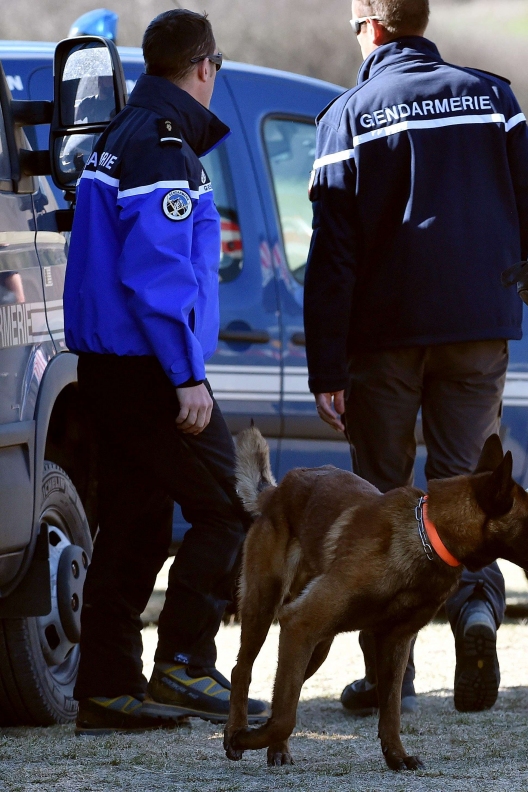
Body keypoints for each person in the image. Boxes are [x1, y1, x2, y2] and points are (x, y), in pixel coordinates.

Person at [303, 0, 528, 715]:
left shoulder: (347, 115)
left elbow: (331, 255)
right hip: (480, 328)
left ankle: (388, 673)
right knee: (472, 489)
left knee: (382, 504)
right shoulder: (493, 97)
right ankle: (479, 612)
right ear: (420, 20)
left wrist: (325, 367)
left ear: (369, 26)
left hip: (382, 340)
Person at [65, 9, 266, 734]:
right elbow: (158, 278)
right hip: (150, 369)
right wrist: (187, 374)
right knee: (234, 506)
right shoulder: (163, 146)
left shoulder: (120, 134)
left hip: (109, 367)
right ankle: (184, 663)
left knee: (136, 524)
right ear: (205, 66)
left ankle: (109, 689)